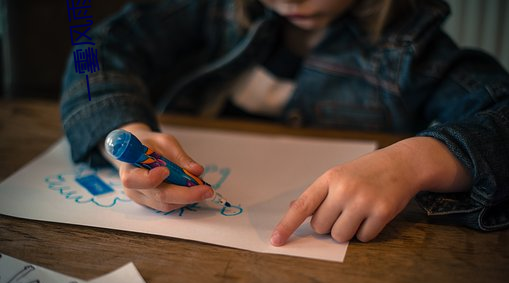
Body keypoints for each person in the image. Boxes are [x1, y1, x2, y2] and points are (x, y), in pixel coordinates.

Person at [60, 0, 509, 246]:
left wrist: (417, 160)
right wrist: (125, 131)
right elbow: (96, 50)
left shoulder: (416, 48)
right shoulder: (209, 9)